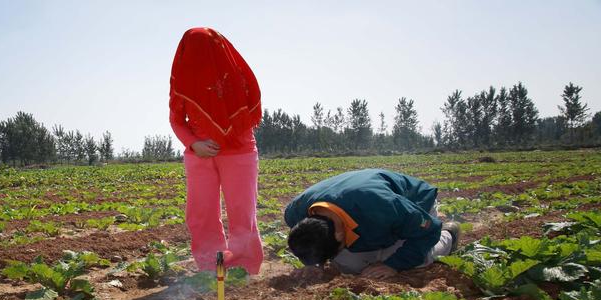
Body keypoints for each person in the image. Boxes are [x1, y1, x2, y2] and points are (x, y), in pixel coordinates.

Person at [169, 27, 264, 275]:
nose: (199, 54)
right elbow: (177, 120)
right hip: (199, 155)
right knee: (201, 214)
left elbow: (248, 108)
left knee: (242, 214)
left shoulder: (236, 74)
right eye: (193, 48)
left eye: (206, 47)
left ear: (218, 47)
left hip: (239, 151)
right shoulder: (182, 80)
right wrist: (193, 144)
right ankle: (212, 267)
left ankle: (245, 268)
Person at [284, 169, 460, 279]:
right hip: (361, 211)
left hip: (415, 207)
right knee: (351, 267)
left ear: (339, 234)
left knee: (416, 260)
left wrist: (394, 265)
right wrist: (313, 265)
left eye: (334, 252)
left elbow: (429, 230)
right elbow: (313, 240)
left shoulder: (383, 206)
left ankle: (449, 237)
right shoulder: (295, 213)